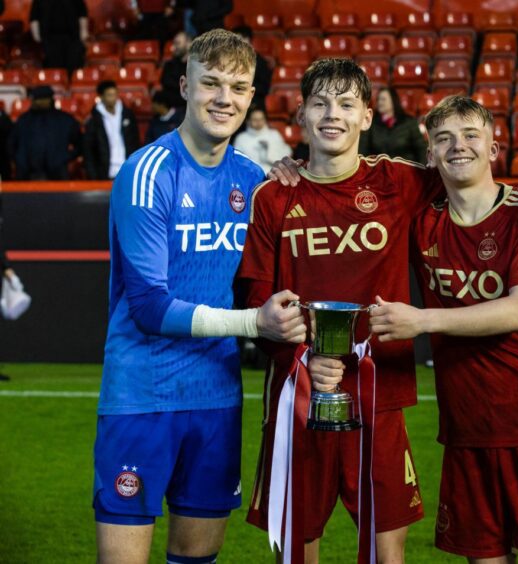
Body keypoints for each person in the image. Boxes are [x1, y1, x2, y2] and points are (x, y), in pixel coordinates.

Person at [238, 58, 518, 563]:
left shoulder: (400, 181)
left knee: (388, 552)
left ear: (367, 117)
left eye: (346, 104)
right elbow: (255, 304)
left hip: (379, 393)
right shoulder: (273, 195)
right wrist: (299, 350)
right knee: (296, 551)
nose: (332, 115)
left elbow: (474, 173)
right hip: (298, 394)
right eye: (320, 103)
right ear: (300, 114)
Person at [93, 30, 306, 564]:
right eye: (210, 83)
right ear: (185, 85)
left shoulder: (253, 179)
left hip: (216, 396)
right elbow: (148, 307)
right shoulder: (146, 172)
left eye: (237, 87)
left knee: (197, 559)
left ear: (251, 96)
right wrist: (254, 325)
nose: (223, 99)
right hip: (143, 397)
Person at [369, 95, 518, 563]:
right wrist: (293, 163)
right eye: (445, 139)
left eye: (472, 135)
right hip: (468, 432)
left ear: (494, 148)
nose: (459, 147)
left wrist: (421, 321)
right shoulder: (421, 222)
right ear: (430, 154)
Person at [8, 86, 81, 180]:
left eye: (40, 99)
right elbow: (11, 144)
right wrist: (20, 160)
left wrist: (63, 158)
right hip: (27, 174)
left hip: (57, 174)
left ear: (49, 100)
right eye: (35, 99)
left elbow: (80, 144)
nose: (36, 102)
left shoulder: (65, 120)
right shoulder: (23, 120)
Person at [83, 80, 141, 180]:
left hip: (127, 170)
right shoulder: (93, 120)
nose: (113, 98)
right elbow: (88, 150)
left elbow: (135, 141)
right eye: (109, 95)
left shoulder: (128, 115)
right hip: (104, 173)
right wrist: (93, 175)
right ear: (101, 97)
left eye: (115, 94)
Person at [358, 86, 428, 164]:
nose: (380, 102)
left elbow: (421, 148)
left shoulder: (409, 122)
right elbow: (362, 151)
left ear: (393, 101)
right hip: (379, 172)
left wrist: (423, 170)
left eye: (383, 99)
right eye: (378, 99)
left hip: (406, 171)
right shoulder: (371, 123)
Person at [29, 0, 88, 76]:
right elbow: (34, 18)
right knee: (53, 72)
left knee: (73, 71)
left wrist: (83, 38)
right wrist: (38, 40)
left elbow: (82, 15)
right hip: (49, 41)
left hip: (73, 40)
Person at [233, 106, 291, 173]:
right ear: (248, 121)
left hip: (274, 174)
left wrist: (270, 148)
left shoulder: (274, 134)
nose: (258, 122)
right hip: (250, 175)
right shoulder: (241, 138)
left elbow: (285, 155)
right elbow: (238, 162)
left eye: (261, 119)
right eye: (255, 119)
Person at [232, 25, 272, 110]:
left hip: (254, 105)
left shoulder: (260, 62)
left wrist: (244, 86)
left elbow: (265, 88)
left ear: (247, 40)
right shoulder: (229, 61)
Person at [161, 30, 191, 109]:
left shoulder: (197, 66)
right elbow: (166, 84)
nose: (174, 47)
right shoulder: (169, 65)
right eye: (174, 43)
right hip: (170, 108)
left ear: (188, 44)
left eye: (178, 43)